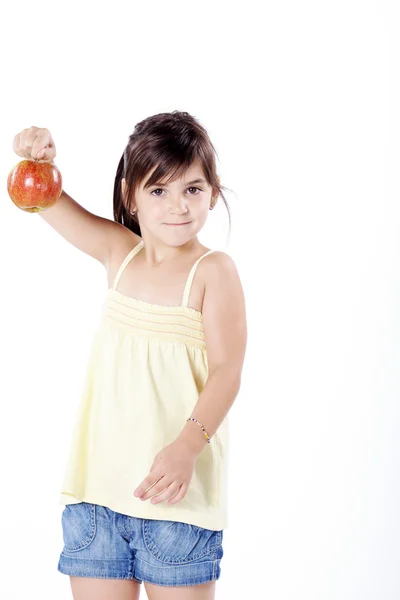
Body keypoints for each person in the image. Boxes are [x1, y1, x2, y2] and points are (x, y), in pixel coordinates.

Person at [12, 111, 247, 600]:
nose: (178, 206)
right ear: (130, 196)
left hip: (176, 508)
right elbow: (42, 201)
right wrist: (37, 158)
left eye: (193, 189)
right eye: (158, 191)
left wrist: (186, 448)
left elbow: (227, 372)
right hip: (96, 503)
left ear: (214, 192)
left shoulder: (213, 271)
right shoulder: (121, 254)